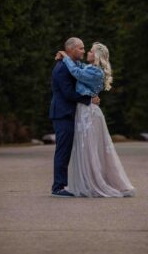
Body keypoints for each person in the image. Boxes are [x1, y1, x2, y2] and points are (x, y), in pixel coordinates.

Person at [55, 41, 135, 198]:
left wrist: (65, 57)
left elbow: (77, 73)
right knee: (84, 148)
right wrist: (66, 56)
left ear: (97, 56)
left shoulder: (96, 72)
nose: (87, 53)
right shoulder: (89, 67)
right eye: (84, 49)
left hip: (89, 112)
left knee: (89, 148)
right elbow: (78, 67)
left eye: (90, 51)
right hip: (83, 111)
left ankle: (94, 183)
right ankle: (85, 182)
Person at [49, 37, 99, 197]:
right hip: (62, 113)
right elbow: (68, 93)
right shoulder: (62, 68)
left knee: (67, 150)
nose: (84, 51)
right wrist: (88, 99)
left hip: (69, 113)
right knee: (63, 150)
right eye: (81, 48)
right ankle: (58, 187)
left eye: (85, 48)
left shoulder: (72, 65)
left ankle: (65, 184)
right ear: (70, 50)